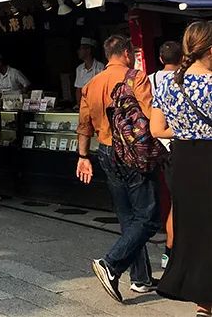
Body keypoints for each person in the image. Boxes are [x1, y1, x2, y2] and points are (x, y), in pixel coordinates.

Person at [77, 34, 159, 302]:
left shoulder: (91, 85)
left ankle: (141, 278)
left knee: (127, 217)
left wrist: (82, 156)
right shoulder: (137, 78)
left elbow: (84, 124)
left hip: (105, 151)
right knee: (147, 217)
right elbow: (150, 114)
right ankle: (111, 264)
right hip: (133, 152)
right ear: (126, 53)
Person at [150, 22, 212, 315]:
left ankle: (202, 299)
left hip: (183, 160)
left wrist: (186, 131)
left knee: (195, 229)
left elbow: (156, 128)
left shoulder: (167, 83)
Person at [150, 40, 182, 270]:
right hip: (181, 144)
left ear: (161, 59)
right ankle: (173, 251)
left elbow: (153, 123)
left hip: (157, 146)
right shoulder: (187, 79)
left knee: (173, 202)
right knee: (180, 203)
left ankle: (169, 253)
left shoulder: (150, 79)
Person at [74, 38, 105, 105]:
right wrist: (79, 104)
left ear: (88, 50)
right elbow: (78, 89)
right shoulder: (79, 69)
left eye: (81, 49)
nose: (78, 51)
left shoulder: (100, 67)